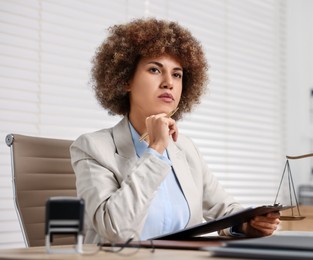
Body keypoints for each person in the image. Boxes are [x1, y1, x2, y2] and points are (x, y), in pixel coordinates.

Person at [70, 18, 280, 243]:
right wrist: (156, 149)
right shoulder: (92, 148)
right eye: (154, 70)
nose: (168, 82)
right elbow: (116, 229)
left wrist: (248, 224)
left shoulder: (185, 148)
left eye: (177, 74)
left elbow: (225, 209)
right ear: (125, 80)